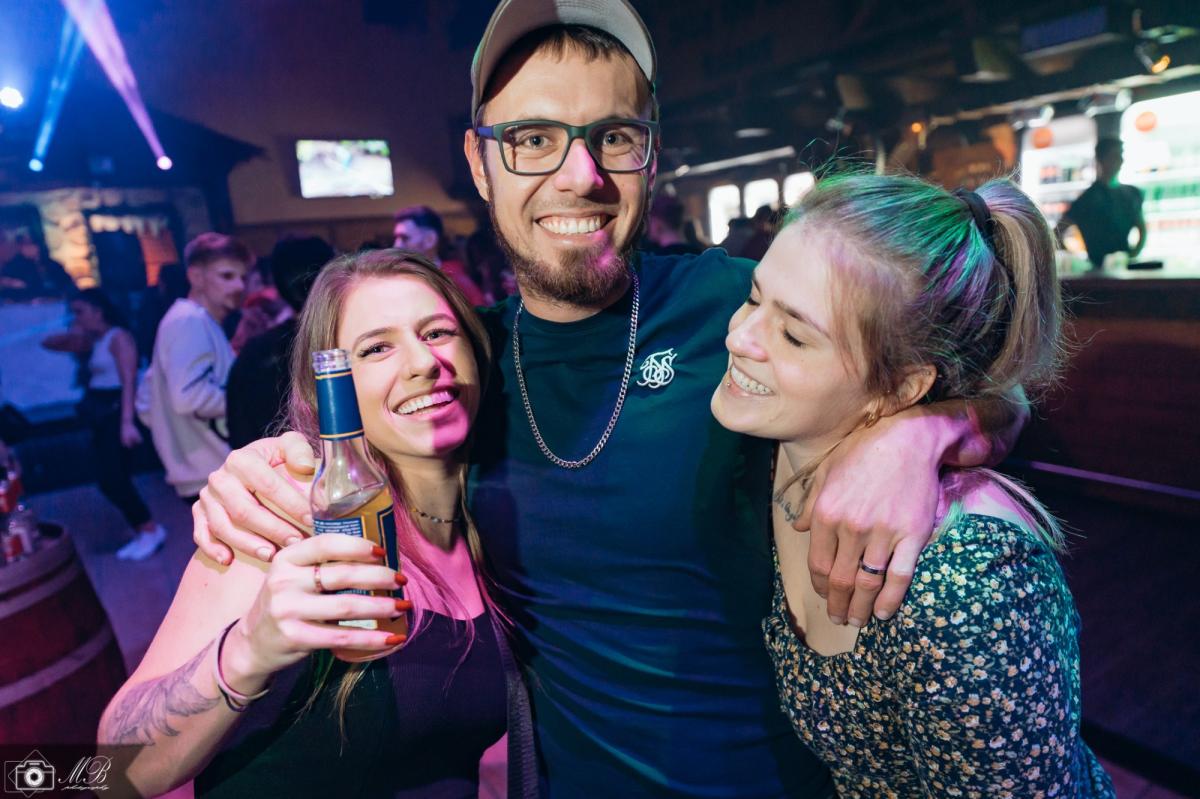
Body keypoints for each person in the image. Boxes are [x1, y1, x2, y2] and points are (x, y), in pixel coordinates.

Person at [189, 3, 1024, 795]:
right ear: (480, 163)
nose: (580, 176)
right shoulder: (461, 365)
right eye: (533, 139)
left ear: (650, 156)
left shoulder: (740, 308)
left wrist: (922, 434)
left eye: (614, 137)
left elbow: (993, 393)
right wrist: (256, 470)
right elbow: (348, 443)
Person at [712, 173, 1114, 796]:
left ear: (902, 388)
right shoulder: (777, 440)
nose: (737, 337)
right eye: (752, 297)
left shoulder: (965, 585)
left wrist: (924, 431)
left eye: (793, 334)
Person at [99, 250, 532, 799]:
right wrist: (248, 649)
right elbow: (116, 770)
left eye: (438, 332)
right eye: (377, 348)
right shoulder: (285, 521)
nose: (423, 362)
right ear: (332, 384)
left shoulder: (490, 519)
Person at [41, 289, 167, 560]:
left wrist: (127, 423)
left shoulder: (118, 337)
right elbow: (48, 343)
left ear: (98, 311)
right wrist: (74, 328)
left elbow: (129, 381)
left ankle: (150, 529)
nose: (76, 317)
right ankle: (143, 530)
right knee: (109, 477)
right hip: (101, 415)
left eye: (80, 311)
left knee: (113, 478)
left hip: (116, 414)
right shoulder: (94, 340)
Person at [138, 233, 248, 513]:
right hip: (210, 471)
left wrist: (174, 439)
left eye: (242, 277)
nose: (239, 286)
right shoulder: (189, 321)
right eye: (227, 276)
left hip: (200, 470)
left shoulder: (189, 319)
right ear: (196, 277)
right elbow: (188, 397)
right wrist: (250, 402)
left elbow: (146, 399)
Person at [226, 235, 334, 449]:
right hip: (345, 464)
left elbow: (239, 431)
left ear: (278, 284)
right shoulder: (347, 343)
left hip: (274, 464)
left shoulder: (255, 352)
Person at [1060, 138, 1146, 268]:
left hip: (1119, 266)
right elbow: (1058, 232)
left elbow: (1142, 229)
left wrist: (1131, 257)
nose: (1120, 160)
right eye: (1114, 156)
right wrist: (1078, 261)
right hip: (1100, 269)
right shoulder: (1087, 199)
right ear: (1102, 159)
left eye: (1120, 155)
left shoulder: (1132, 194)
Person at [393, 205, 488, 306]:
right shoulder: (397, 279)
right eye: (396, 238)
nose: (396, 246)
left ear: (430, 239)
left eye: (404, 238)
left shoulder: (455, 280)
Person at [0, 235, 74, 301]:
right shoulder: (12, 267)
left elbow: (67, 283)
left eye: (31, 244)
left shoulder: (52, 264)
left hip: (57, 301)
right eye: (24, 245)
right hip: (26, 304)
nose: (28, 248)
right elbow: (8, 288)